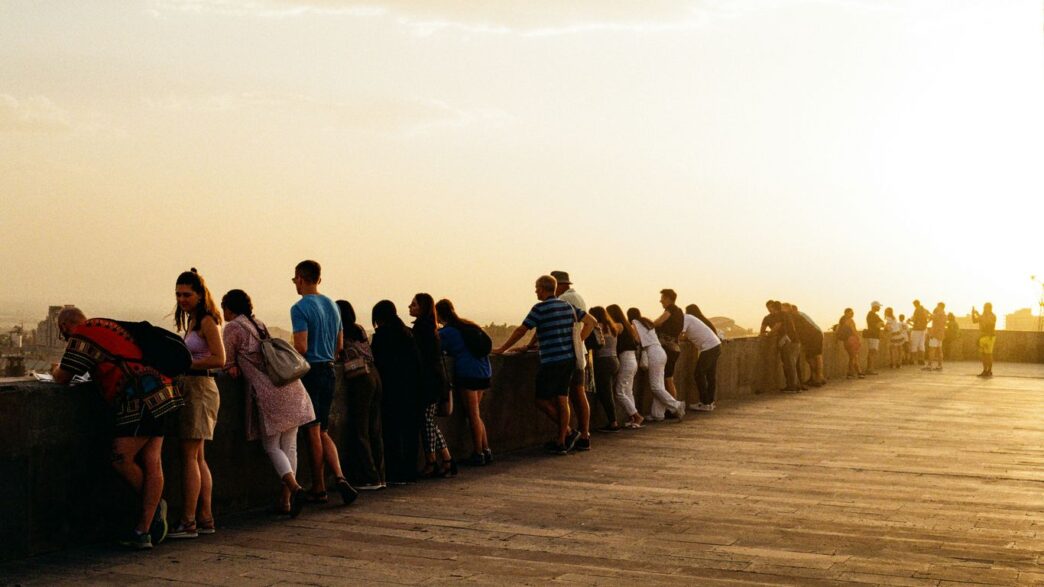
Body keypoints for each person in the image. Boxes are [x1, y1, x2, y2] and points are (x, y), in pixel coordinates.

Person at [51, 307, 182, 550]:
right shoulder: (105, 326)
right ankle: (144, 530)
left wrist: (54, 367)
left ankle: (151, 511)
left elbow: (63, 377)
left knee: (120, 457)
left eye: (63, 334)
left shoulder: (82, 335)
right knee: (152, 460)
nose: (66, 338)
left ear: (65, 327)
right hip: (163, 391)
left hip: (139, 398)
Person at [221, 289, 315, 517]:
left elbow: (227, 362)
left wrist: (230, 366)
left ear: (229, 308)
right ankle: (286, 501)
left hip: (269, 393)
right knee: (289, 446)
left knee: (271, 446)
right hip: (291, 388)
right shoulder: (259, 324)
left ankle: (294, 488)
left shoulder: (233, 328)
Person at [492, 275, 597, 455]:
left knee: (541, 400)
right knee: (562, 398)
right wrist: (578, 342)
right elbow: (591, 322)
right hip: (569, 359)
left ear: (542, 288)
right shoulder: (568, 307)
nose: (535, 291)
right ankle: (563, 439)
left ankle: (568, 434)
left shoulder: (539, 309)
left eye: (536, 288)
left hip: (551, 360)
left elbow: (521, 330)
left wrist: (502, 348)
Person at [290, 260, 357, 505]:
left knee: (312, 431)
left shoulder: (299, 308)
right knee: (323, 429)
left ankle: (319, 487)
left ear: (300, 278)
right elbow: (339, 346)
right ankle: (339, 476)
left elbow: (301, 347)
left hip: (311, 373)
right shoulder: (332, 305)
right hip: (330, 370)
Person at [169, 268, 225, 539]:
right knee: (198, 456)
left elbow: (220, 359)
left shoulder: (206, 322)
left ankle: (189, 520)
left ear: (200, 295)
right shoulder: (193, 320)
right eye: (178, 294)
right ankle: (205, 517)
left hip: (200, 388)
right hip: (194, 387)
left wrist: (187, 363)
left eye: (187, 294)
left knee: (190, 456)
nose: (182, 299)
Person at [436, 298, 493, 466]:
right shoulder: (469, 325)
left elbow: (435, 349)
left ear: (439, 314)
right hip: (483, 371)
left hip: (468, 373)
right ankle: (486, 450)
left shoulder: (447, 332)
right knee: (476, 413)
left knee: (472, 414)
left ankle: (478, 453)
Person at [370, 300, 423, 484]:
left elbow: (378, 362)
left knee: (392, 431)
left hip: (392, 390)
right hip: (411, 388)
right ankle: (410, 471)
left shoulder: (381, 337)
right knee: (409, 431)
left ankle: (395, 473)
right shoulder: (407, 333)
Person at [336, 299, 385, 490]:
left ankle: (369, 477)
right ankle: (380, 476)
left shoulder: (341, 331)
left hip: (360, 379)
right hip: (374, 374)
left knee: (360, 429)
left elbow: (337, 353)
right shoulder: (359, 329)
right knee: (374, 428)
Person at [409, 294, 456, 478]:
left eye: (413, 304)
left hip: (428, 383)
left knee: (427, 422)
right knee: (428, 422)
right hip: (436, 381)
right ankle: (443, 460)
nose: (410, 307)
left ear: (422, 308)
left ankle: (436, 461)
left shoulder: (421, 329)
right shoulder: (431, 328)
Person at [548, 270, 593, 451]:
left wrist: (576, 340)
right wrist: (580, 341)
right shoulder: (578, 297)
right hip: (579, 353)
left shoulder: (564, 300)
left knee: (565, 396)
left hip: (569, 353)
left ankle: (568, 434)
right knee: (579, 394)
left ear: (558, 285)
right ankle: (584, 434)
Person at [627, 307, 686, 422]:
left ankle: (676, 405)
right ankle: (657, 414)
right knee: (659, 384)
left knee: (655, 386)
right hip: (660, 351)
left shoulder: (634, 322)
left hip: (652, 353)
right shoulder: (646, 322)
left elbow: (638, 339)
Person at [607, 304, 643, 429]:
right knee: (628, 391)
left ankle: (637, 416)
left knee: (619, 392)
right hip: (632, 359)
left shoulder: (619, 325)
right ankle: (633, 418)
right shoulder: (628, 326)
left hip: (626, 360)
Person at [681, 304, 722, 411]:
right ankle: (710, 402)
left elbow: (681, 335)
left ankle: (705, 402)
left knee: (698, 374)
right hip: (716, 345)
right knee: (710, 375)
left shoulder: (685, 318)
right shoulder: (694, 319)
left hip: (708, 348)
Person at [652, 289, 684, 415]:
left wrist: (646, 325)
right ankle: (671, 408)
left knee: (667, 379)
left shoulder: (671, 309)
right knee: (668, 378)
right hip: (674, 348)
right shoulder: (679, 311)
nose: (661, 301)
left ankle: (674, 408)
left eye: (663, 298)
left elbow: (658, 321)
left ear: (669, 299)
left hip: (669, 349)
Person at [589, 306, 621, 432]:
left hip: (604, 362)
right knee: (608, 392)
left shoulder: (598, 327)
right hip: (614, 360)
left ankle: (613, 423)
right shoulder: (612, 327)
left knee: (606, 394)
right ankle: (613, 421)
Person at [792, 304, 825, 387]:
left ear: (794, 310)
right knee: (809, 357)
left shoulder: (799, 316)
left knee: (817, 356)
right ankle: (814, 377)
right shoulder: (799, 316)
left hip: (815, 335)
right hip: (809, 337)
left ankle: (819, 378)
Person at [778, 302, 803, 392]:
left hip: (791, 342)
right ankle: (796, 385)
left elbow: (785, 330)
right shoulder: (793, 316)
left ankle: (793, 386)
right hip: (796, 342)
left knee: (790, 365)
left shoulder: (785, 316)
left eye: (782, 307)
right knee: (793, 365)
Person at [972, 303, 997, 377]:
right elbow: (974, 321)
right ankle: (984, 370)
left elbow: (987, 322)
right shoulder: (982, 316)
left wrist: (978, 314)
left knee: (988, 354)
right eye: (984, 307)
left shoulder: (992, 316)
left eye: (986, 308)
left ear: (990, 308)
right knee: (983, 355)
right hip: (982, 337)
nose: (985, 309)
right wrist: (973, 314)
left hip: (989, 337)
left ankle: (989, 370)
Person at [837, 308, 863, 379]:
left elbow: (837, 330)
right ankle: (856, 373)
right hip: (852, 340)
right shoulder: (850, 321)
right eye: (851, 313)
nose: (852, 314)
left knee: (852, 357)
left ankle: (854, 373)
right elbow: (854, 331)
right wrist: (859, 338)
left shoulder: (841, 320)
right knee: (854, 357)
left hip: (846, 341)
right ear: (846, 313)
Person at [864, 301, 884, 375]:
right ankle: (869, 369)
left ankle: (870, 368)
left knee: (873, 352)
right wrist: (879, 324)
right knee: (872, 352)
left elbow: (882, 323)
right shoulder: (871, 315)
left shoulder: (875, 315)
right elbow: (876, 325)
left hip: (875, 336)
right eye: (878, 306)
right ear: (874, 307)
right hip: (872, 335)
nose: (879, 308)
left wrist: (880, 324)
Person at [925, 302, 947, 371]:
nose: (936, 307)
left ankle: (929, 365)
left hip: (935, 334)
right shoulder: (944, 314)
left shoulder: (939, 313)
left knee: (932, 350)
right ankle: (940, 365)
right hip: (940, 334)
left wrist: (927, 312)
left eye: (937, 306)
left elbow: (931, 317)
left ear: (940, 306)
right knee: (939, 350)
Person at [909, 300, 930, 366]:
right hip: (923, 329)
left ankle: (913, 360)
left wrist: (910, 321)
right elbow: (931, 316)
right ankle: (922, 360)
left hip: (916, 329)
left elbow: (914, 319)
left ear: (915, 304)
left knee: (914, 345)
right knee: (922, 345)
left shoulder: (916, 310)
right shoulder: (924, 309)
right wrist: (926, 323)